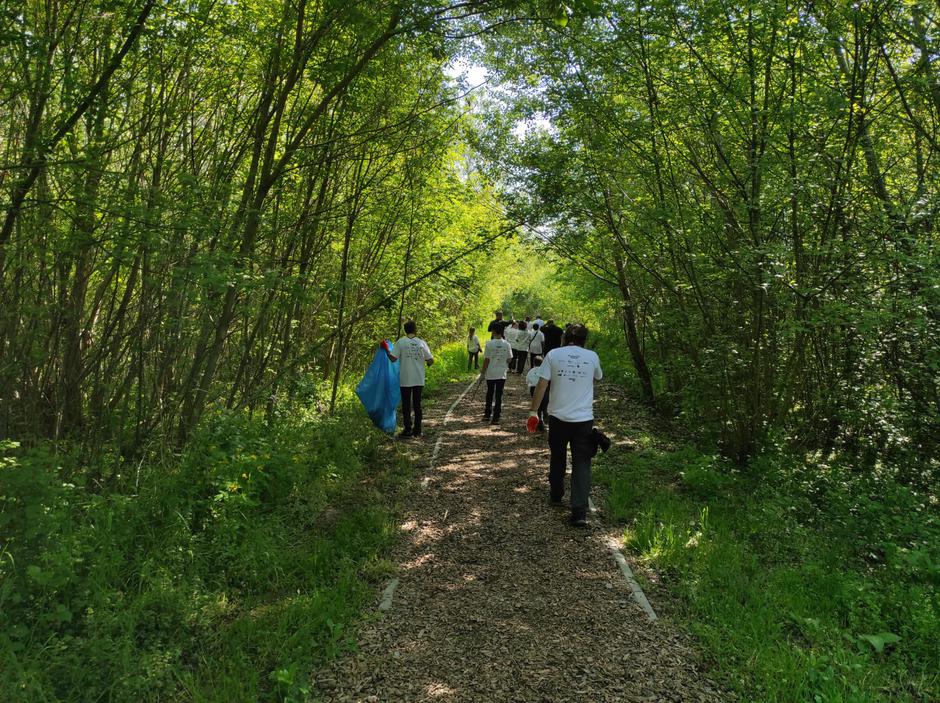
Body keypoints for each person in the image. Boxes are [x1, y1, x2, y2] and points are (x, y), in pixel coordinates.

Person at [528, 324, 603, 527]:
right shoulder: (592, 356)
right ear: (584, 339)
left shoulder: (553, 355)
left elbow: (542, 384)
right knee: (582, 463)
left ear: (565, 337)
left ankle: (556, 493)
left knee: (558, 456)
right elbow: (598, 376)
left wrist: (533, 411)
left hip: (558, 418)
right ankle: (579, 512)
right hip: (583, 420)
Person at [382, 320, 433, 438]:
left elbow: (393, 358)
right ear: (415, 329)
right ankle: (418, 430)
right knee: (417, 404)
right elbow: (430, 360)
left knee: (406, 404)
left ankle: (407, 429)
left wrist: (386, 349)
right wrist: (427, 362)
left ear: (405, 330)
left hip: (405, 379)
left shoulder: (400, 342)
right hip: (419, 378)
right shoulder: (422, 343)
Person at [480, 323, 513, 424]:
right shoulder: (507, 344)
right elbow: (509, 359)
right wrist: (503, 361)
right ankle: (496, 417)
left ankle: (487, 414)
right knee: (499, 395)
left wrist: (482, 373)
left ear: (494, 331)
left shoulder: (489, 344)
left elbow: (487, 360)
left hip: (491, 373)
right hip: (501, 373)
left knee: (490, 393)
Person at [526, 355, 548, 431]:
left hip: (533, 389)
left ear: (534, 363)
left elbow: (527, 380)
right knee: (544, 403)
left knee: (537, 405)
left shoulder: (531, 371)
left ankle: (539, 421)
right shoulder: (544, 371)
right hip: (544, 389)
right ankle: (545, 414)